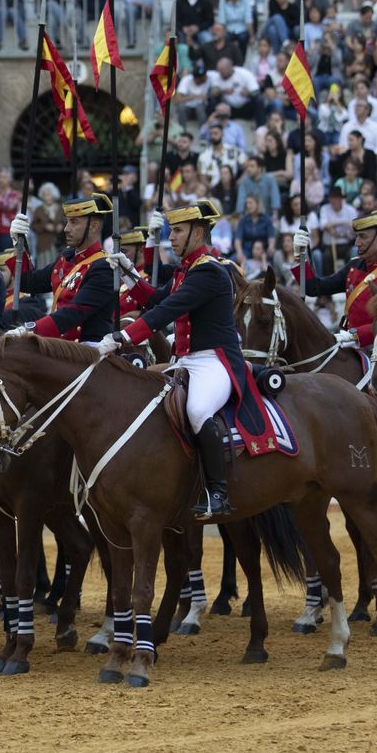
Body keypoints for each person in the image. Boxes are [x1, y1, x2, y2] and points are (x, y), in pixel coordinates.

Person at [99, 199, 242, 519]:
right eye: (171, 230)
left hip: (214, 361)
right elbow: (156, 298)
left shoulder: (209, 271)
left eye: (178, 230)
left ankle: (218, 492)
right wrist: (128, 272)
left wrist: (123, 337)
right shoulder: (187, 270)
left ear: (199, 232)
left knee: (197, 409)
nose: (171, 237)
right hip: (186, 359)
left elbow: (166, 310)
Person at [289, 208, 377, 473]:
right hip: (347, 344)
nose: (357, 243)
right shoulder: (352, 267)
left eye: (363, 237)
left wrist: (356, 335)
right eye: (357, 238)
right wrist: (300, 256)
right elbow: (315, 288)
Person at [4, 194, 118, 342]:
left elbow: (73, 313)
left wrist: (29, 329)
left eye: (74, 222)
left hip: (88, 349)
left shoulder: (104, 267)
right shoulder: (67, 257)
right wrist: (18, 242)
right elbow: (28, 283)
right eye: (67, 222)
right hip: (61, 346)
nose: (66, 228)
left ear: (94, 226)